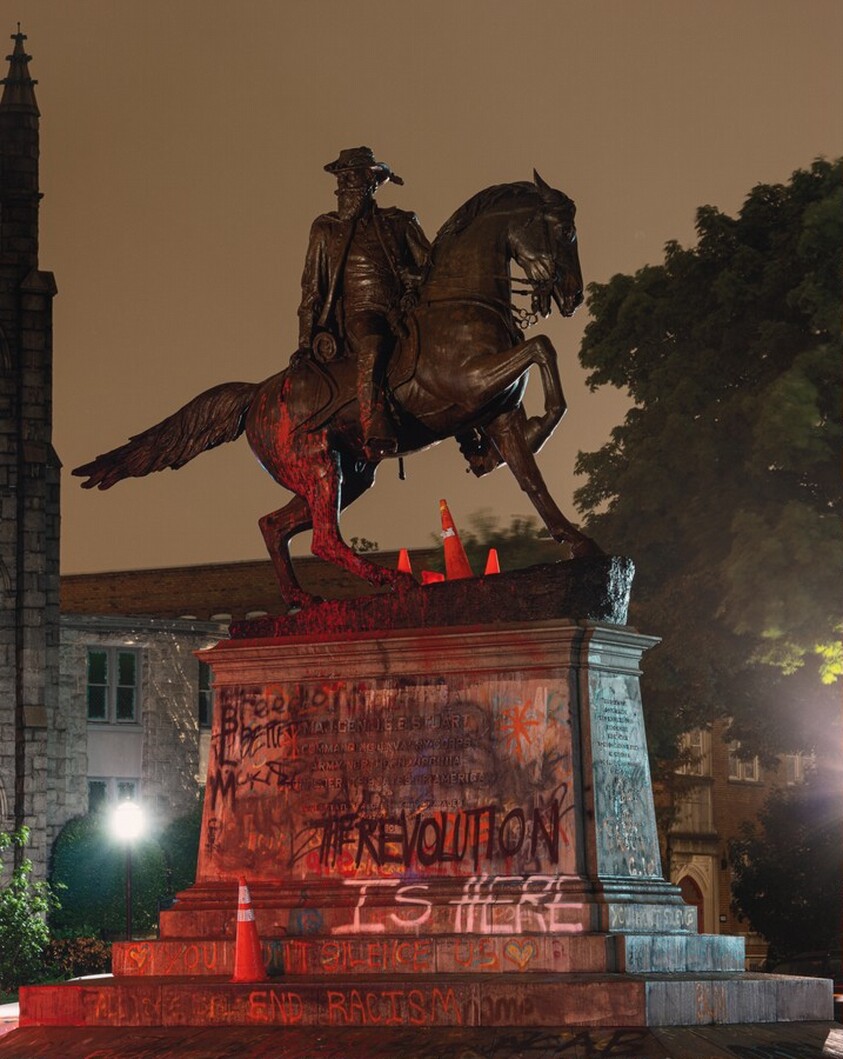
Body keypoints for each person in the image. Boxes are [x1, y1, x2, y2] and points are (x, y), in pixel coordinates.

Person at [297, 147, 430, 459]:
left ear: (370, 183)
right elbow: (311, 290)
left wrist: (414, 280)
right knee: (372, 341)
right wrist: (305, 344)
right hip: (360, 315)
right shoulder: (326, 229)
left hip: (405, 310)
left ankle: (474, 436)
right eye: (340, 181)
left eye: (350, 180)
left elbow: (431, 268)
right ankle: (373, 421)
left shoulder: (400, 222)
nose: (343, 188)